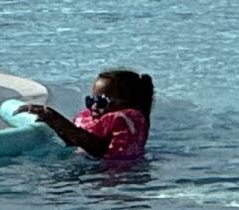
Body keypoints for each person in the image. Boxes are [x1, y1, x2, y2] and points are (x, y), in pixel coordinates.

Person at [13, 68, 153, 163]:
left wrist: (55, 118)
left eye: (102, 101)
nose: (94, 106)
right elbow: (74, 142)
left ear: (125, 104)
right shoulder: (98, 118)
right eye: (91, 100)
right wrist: (53, 123)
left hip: (122, 176)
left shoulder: (125, 120)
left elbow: (97, 148)